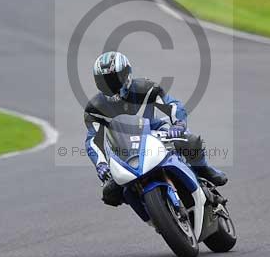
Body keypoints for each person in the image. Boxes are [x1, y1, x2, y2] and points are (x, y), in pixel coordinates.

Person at [84, 51, 227, 207]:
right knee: (110, 194)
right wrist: (101, 164)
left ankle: (204, 170)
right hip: (121, 149)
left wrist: (178, 124)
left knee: (190, 141)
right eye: (104, 81)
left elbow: (172, 104)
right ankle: (149, 210)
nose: (110, 85)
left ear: (127, 75)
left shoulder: (145, 88)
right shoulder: (95, 108)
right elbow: (92, 140)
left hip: (153, 131)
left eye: (113, 79)